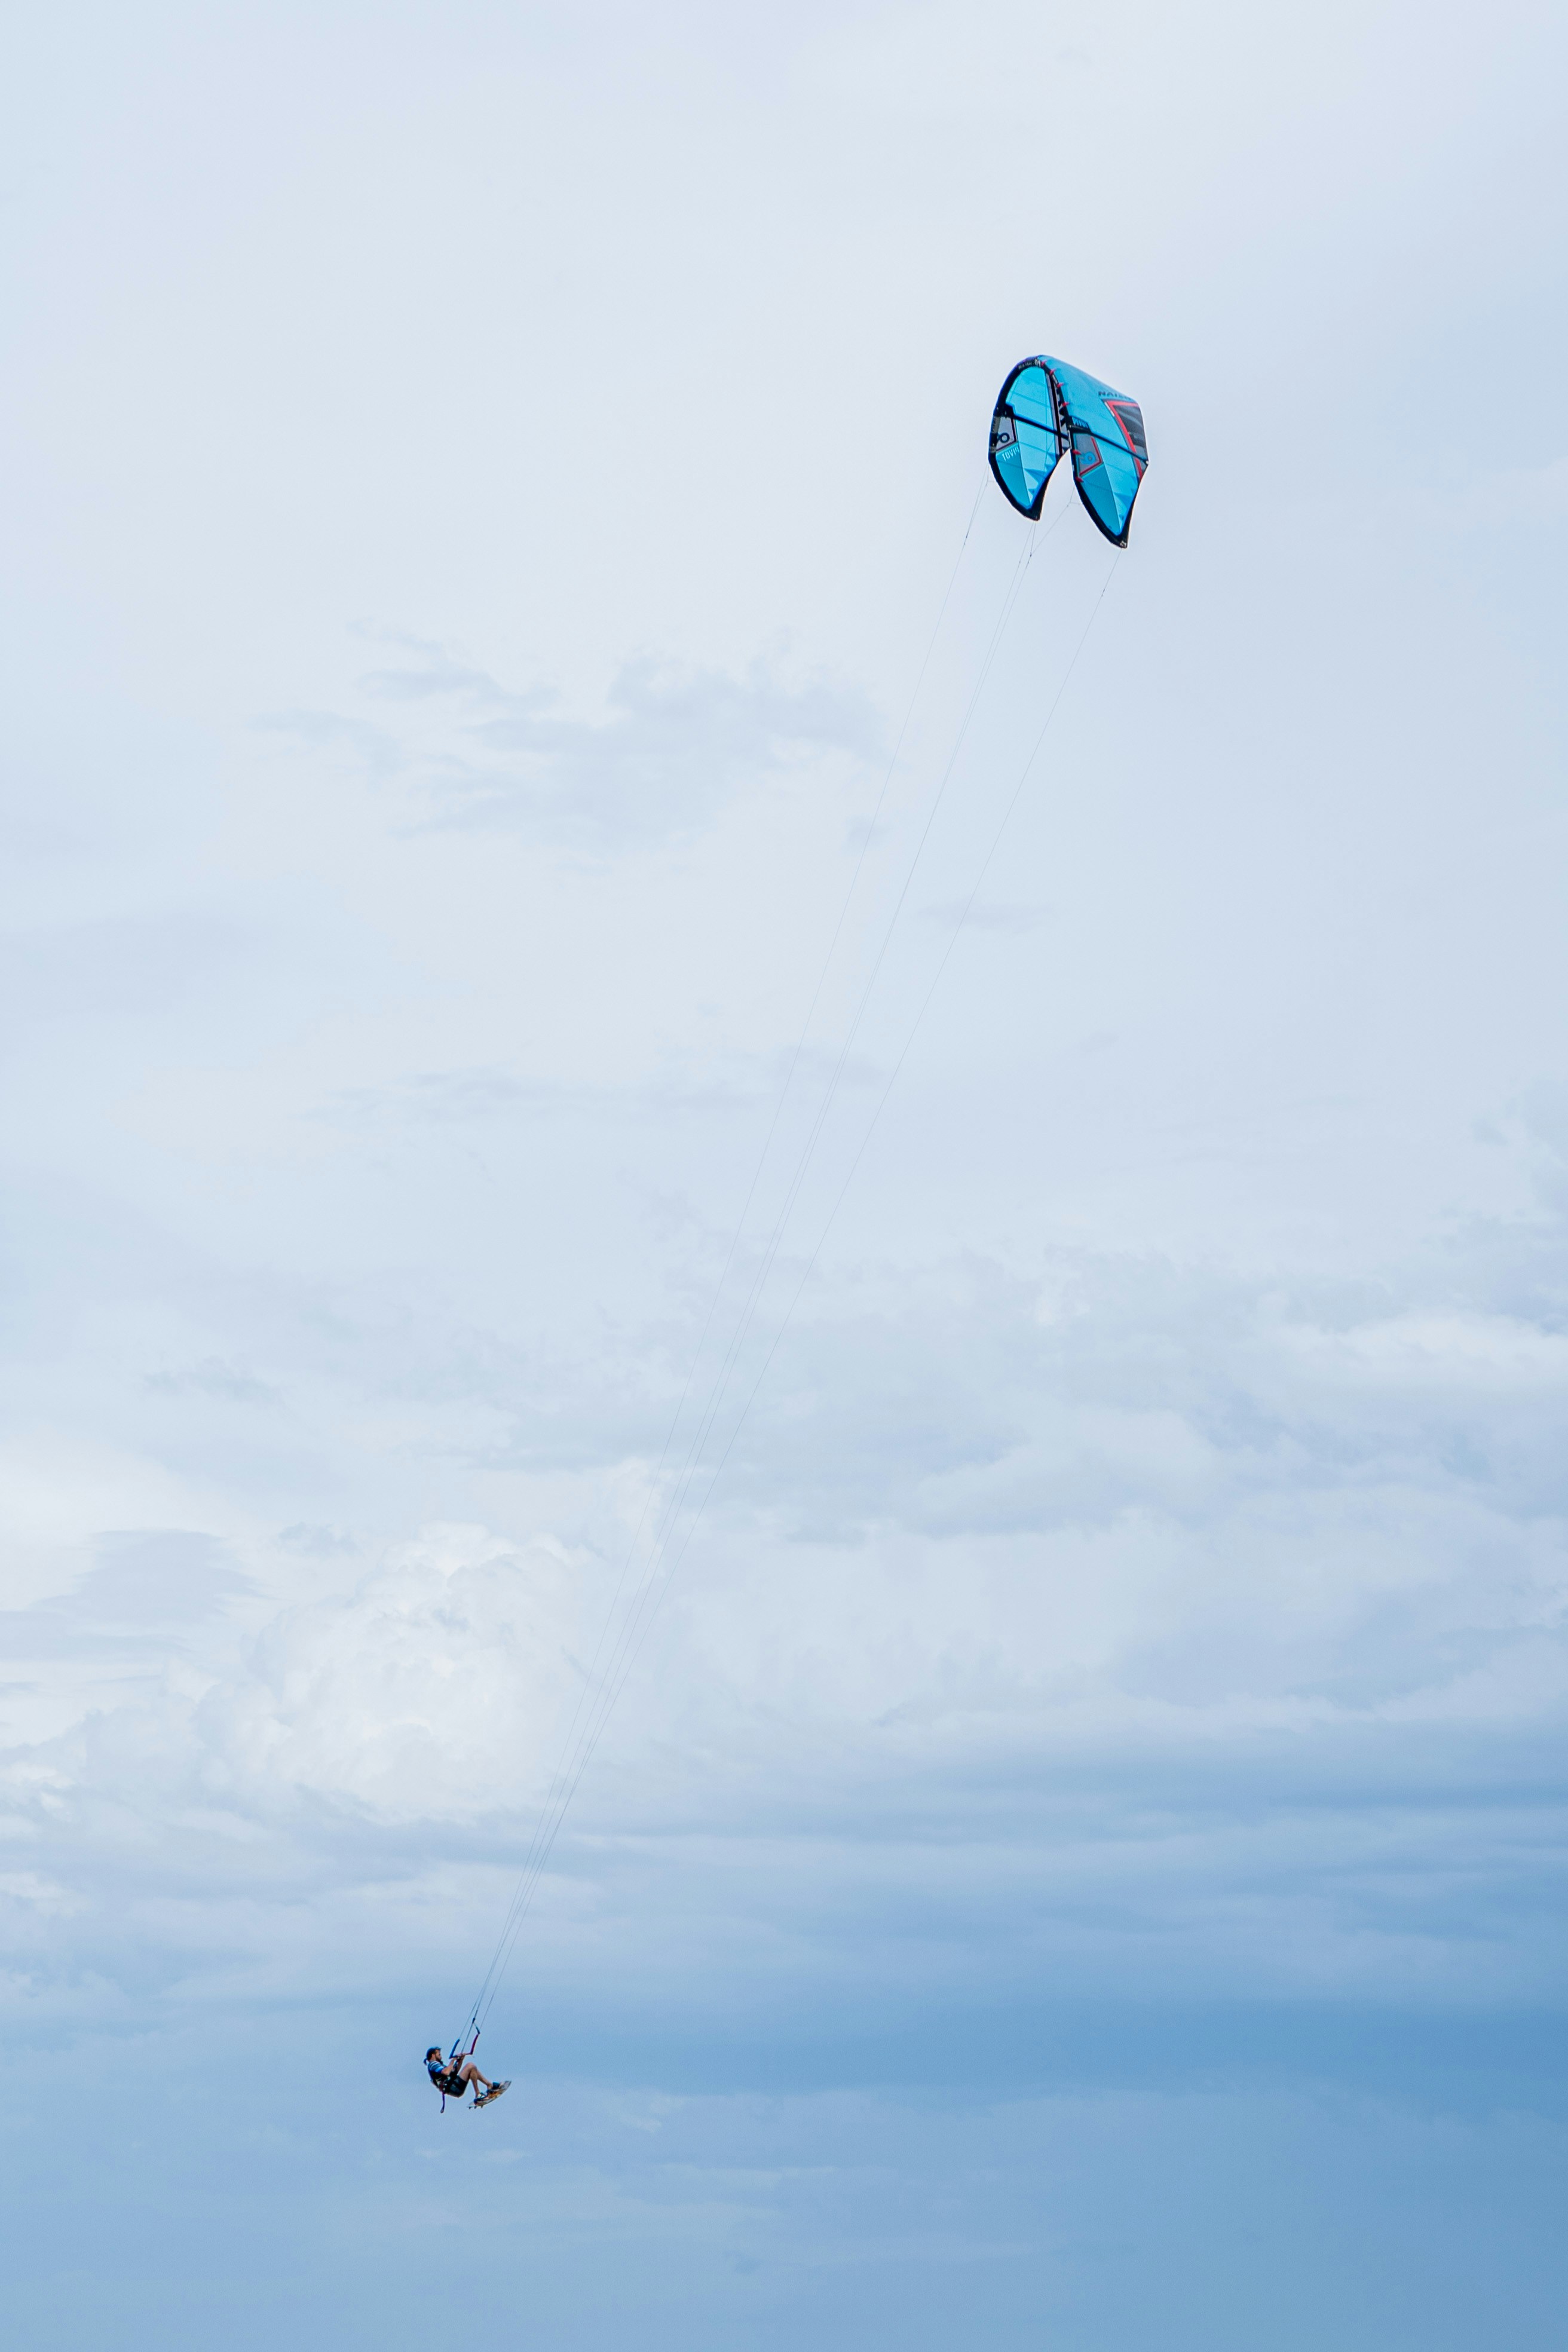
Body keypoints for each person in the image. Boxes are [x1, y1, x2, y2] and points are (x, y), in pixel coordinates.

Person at [425, 2045, 508, 2107]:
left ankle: (490, 2085)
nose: (441, 2057)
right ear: (433, 2055)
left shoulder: (438, 2065)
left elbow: (454, 2072)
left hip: (454, 2085)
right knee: (471, 2066)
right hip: (453, 2087)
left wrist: (460, 2060)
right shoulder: (433, 2064)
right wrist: (453, 2060)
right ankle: (478, 2095)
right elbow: (447, 2072)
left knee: (472, 2068)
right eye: (439, 2055)